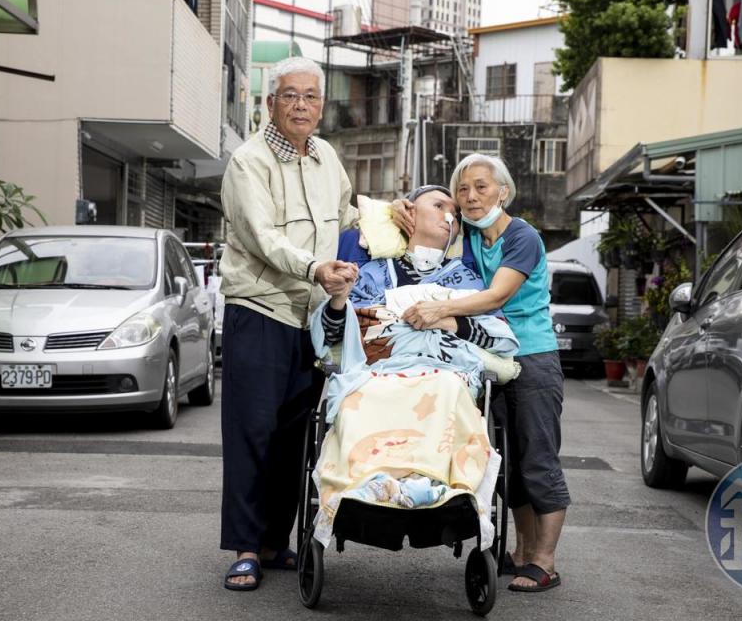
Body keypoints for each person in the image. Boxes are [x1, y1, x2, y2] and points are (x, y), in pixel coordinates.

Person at [308, 184, 519, 548]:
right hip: (378, 372)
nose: (449, 215)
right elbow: (332, 337)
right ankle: (366, 480)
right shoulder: (370, 273)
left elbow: (499, 337)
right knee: (362, 393)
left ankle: (437, 483)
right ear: (409, 214)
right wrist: (341, 300)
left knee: (448, 390)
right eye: (437, 205)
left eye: (453, 211)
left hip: (445, 373)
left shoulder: (466, 279)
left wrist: (451, 321)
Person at [396, 154, 569, 594]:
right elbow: (423, 223)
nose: (471, 197)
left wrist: (443, 308)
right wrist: (400, 207)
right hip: (488, 358)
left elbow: (497, 294)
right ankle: (522, 553)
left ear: (503, 192)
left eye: (481, 187)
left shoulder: (522, 236)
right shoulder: (469, 234)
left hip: (532, 357)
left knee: (538, 458)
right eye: (463, 190)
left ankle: (545, 562)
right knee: (508, 463)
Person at [218, 56, 358, 592]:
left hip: (314, 317)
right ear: (270, 102)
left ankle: (277, 543)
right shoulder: (248, 161)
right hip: (259, 310)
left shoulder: (326, 157)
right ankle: (246, 549)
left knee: (295, 440)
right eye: (291, 95)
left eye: (311, 97)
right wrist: (314, 266)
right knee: (251, 433)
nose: (302, 105)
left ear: (321, 106)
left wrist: (389, 215)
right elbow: (259, 236)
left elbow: (345, 216)